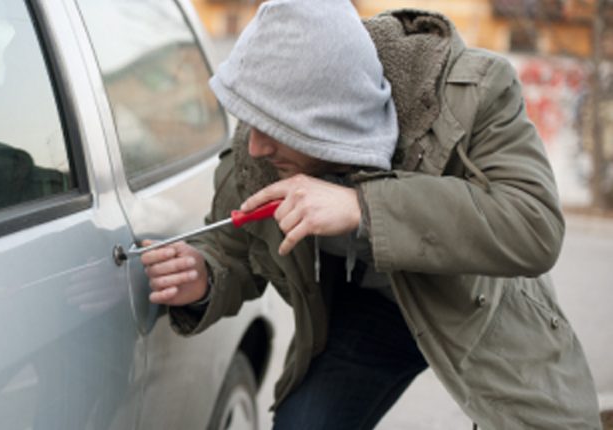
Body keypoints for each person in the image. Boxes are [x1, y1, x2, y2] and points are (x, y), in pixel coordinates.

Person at [141, 1, 602, 429]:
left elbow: (533, 224)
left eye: (275, 130)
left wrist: (362, 207)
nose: (256, 145)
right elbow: (235, 247)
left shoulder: (474, 93)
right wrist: (205, 274)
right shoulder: (261, 144)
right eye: (251, 122)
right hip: (371, 313)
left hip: (478, 303)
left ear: (328, 118)